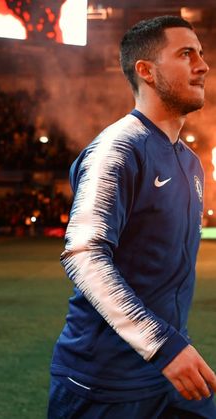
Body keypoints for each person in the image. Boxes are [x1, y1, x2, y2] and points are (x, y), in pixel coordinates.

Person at [48, 15, 216, 418]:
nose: (203, 65)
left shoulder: (191, 163)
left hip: (167, 373)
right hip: (104, 383)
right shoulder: (117, 148)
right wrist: (161, 343)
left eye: (202, 53)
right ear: (146, 71)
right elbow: (84, 253)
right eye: (186, 54)